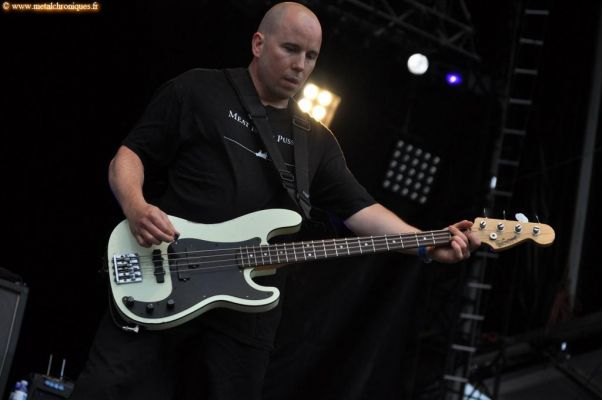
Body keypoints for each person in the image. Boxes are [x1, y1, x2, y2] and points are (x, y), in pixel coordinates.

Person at [71, 2, 481, 399]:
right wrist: (137, 207)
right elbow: (129, 156)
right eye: (290, 49)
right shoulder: (198, 89)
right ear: (258, 43)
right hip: (163, 273)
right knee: (108, 388)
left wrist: (425, 242)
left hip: (245, 315)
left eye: (311, 56)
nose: (300, 65)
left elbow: (362, 211)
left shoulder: (315, 140)